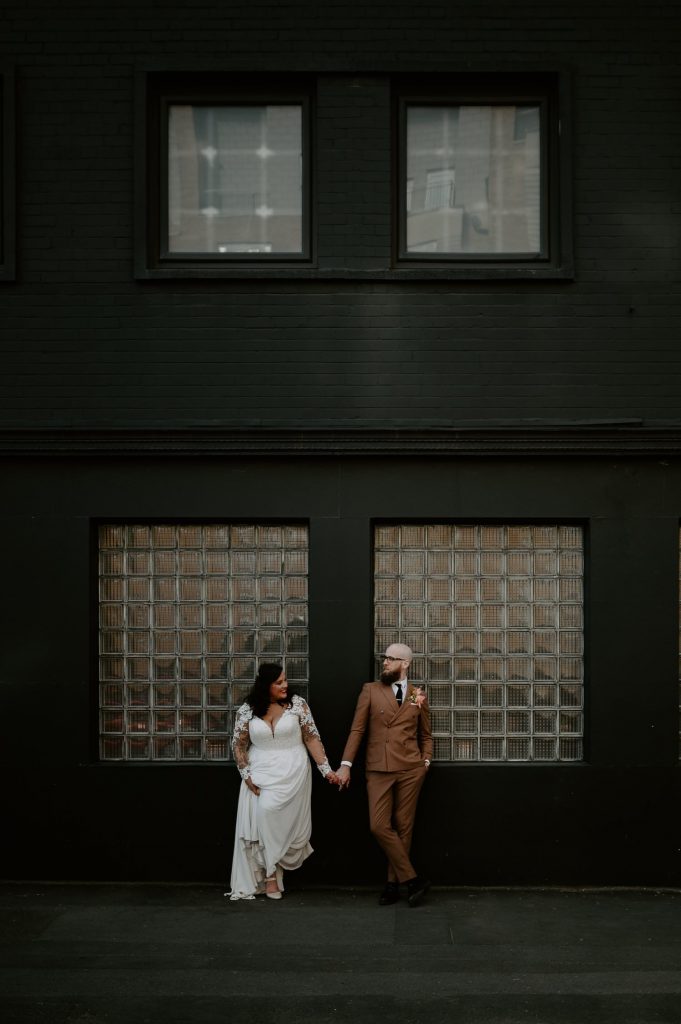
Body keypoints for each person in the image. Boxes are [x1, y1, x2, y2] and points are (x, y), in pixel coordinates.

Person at [227, 663, 339, 901]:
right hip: (260, 772)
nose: (285, 685)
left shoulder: (297, 705)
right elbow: (238, 744)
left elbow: (311, 738)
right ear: (265, 685)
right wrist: (246, 775)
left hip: (293, 771)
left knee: (280, 823)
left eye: (285, 680)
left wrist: (326, 770)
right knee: (264, 815)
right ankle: (269, 877)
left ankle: (275, 869)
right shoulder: (248, 709)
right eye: (278, 682)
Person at [336, 643, 433, 907]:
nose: (385, 662)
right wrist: (346, 764)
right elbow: (357, 730)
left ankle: (392, 885)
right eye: (385, 658)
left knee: (404, 826)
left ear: (405, 663)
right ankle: (412, 880)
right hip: (378, 768)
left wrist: (425, 761)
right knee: (378, 825)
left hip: (411, 769)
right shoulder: (370, 690)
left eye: (391, 659)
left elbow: (425, 734)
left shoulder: (416, 695)